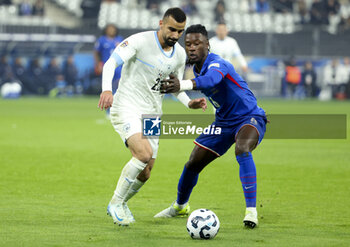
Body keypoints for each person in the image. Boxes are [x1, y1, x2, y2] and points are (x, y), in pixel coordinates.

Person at [98, 8, 207, 226]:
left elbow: (173, 87)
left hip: (153, 113)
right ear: (160, 23)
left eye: (180, 31)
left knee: (146, 172)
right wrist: (107, 90)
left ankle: (121, 202)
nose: (175, 36)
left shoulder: (179, 55)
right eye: (172, 30)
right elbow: (111, 63)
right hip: (127, 106)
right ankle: (116, 203)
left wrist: (189, 103)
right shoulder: (139, 41)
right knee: (143, 153)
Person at [154, 24, 267, 229]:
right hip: (223, 123)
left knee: (242, 148)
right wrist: (190, 100)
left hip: (249, 117)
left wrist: (184, 85)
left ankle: (251, 211)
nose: (192, 48)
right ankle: (180, 206)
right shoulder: (192, 67)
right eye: (188, 44)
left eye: (197, 43)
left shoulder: (218, 63)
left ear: (208, 45)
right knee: (192, 163)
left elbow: (211, 80)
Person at [94, 24, 123, 93]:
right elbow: (96, 52)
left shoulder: (120, 39)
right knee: (107, 81)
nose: (111, 31)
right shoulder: (102, 40)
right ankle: (107, 97)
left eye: (113, 29)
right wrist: (98, 64)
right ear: (106, 30)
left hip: (118, 65)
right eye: (109, 29)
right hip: (106, 64)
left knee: (119, 82)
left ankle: (117, 97)